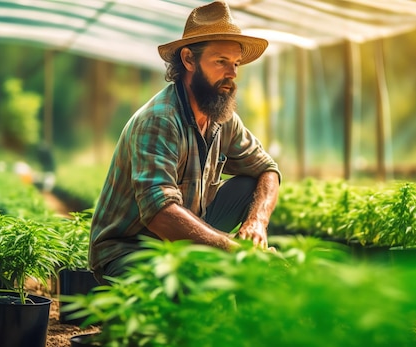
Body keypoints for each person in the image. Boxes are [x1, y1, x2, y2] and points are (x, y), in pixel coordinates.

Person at [89, 1, 281, 283]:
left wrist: (257, 222)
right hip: (131, 250)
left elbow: (269, 169)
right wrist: (232, 249)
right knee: (191, 300)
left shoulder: (222, 117)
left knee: (252, 183)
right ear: (189, 60)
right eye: (221, 62)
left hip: (180, 243)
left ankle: (206, 268)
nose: (232, 74)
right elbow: (160, 214)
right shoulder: (160, 120)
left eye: (236, 63)